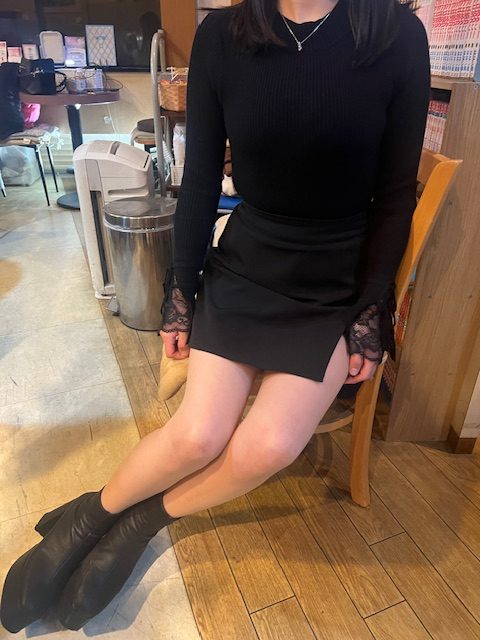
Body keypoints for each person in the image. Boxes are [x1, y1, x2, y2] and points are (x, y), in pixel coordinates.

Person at [0, 0, 430, 632]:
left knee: (270, 446)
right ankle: (88, 518)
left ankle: (144, 521)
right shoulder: (225, 35)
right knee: (197, 436)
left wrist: (370, 306)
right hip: (249, 262)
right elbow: (199, 178)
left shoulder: (396, 34)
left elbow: (395, 196)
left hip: (336, 279)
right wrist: (181, 291)